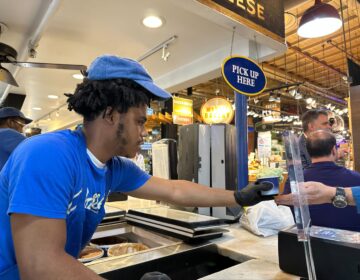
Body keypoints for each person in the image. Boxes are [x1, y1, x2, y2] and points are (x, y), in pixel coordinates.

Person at [0, 55, 271, 280]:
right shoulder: (48, 154)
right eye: (140, 122)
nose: (144, 132)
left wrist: (237, 196)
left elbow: (175, 190)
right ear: (110, 114)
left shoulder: (113, 167)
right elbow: (41, 265)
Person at [283, 130, 360, 231]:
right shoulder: (356, 178)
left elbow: (287, 218)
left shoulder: (294, 182)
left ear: (308, 152)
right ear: (334, 150)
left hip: (311, 243)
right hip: (352, 243)